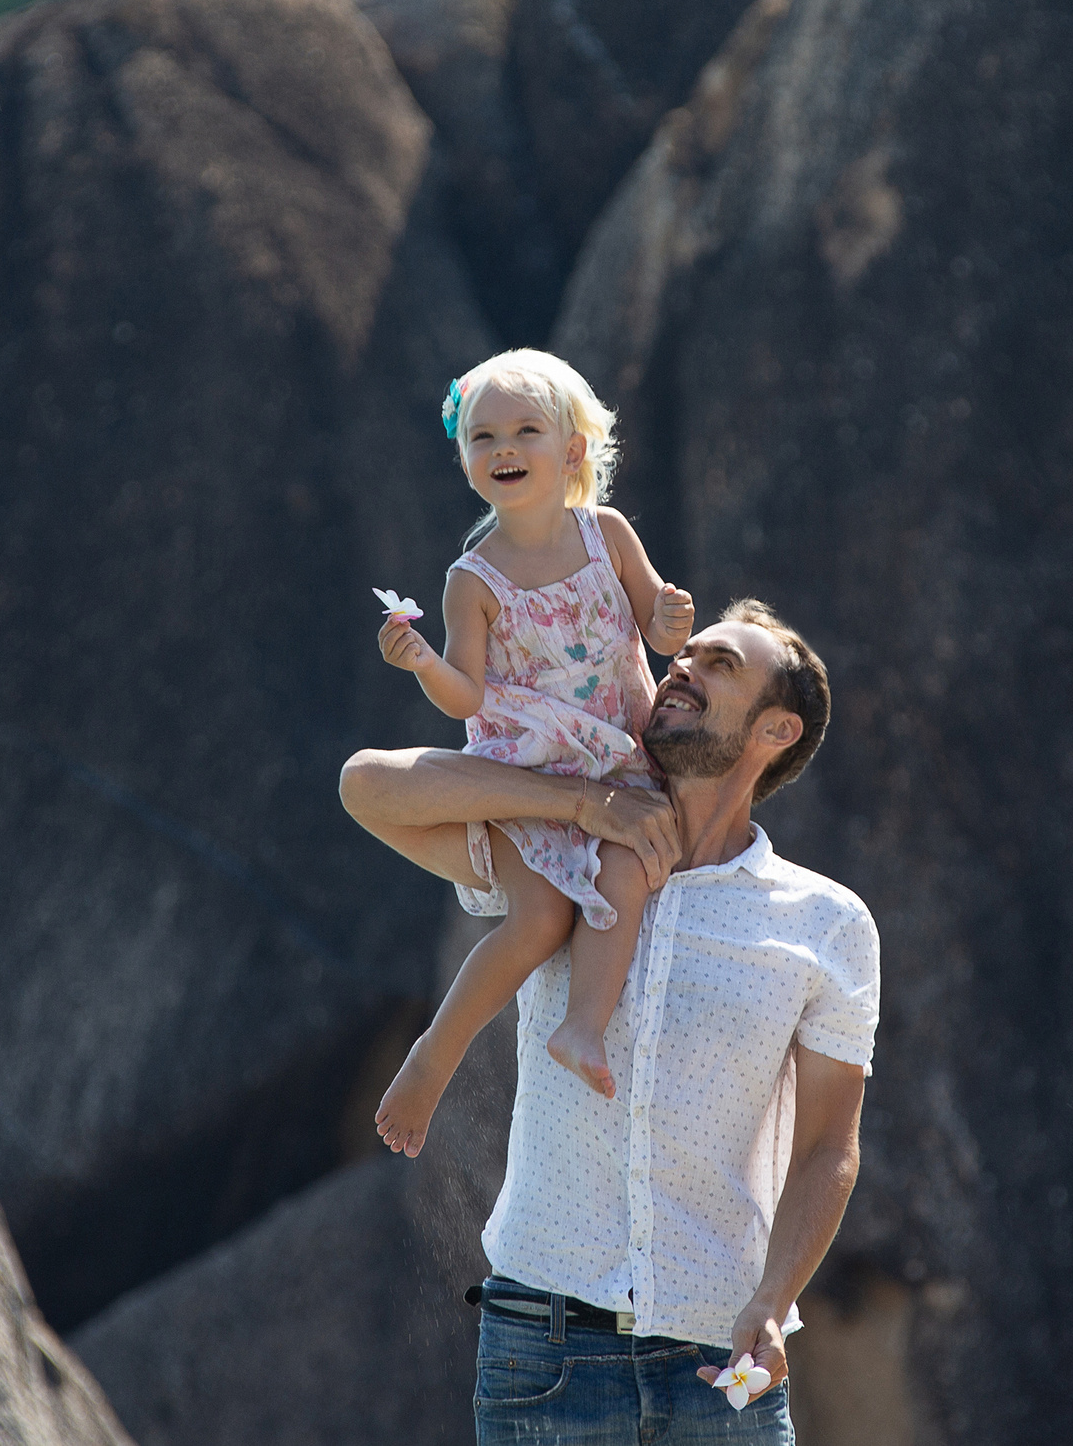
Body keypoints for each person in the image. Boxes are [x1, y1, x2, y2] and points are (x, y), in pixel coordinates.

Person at [340, 600, 876, 1445]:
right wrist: (581, 805)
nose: (683, 667)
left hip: (719, 1362)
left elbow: (827, 1150)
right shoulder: (556, 858)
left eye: (720, 664)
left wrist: (774, 1302)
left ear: (777, 730)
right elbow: (369, 785)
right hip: (542, 1347)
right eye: (684, 655)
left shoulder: (828, 925)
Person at [370, 349, 695, 1154]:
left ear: (573, 451)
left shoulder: (607, 535)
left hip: (619, 757)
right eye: (483, 438)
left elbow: (655, 625)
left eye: (525, 431)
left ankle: (582, 1027)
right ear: (467, 462)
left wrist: (670, 618)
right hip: (527, 774)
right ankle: (431, 1058)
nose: (503, 448)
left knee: (632, 867)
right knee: (537, 919)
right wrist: (424, 668)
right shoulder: (471, 581)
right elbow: (470, 698)